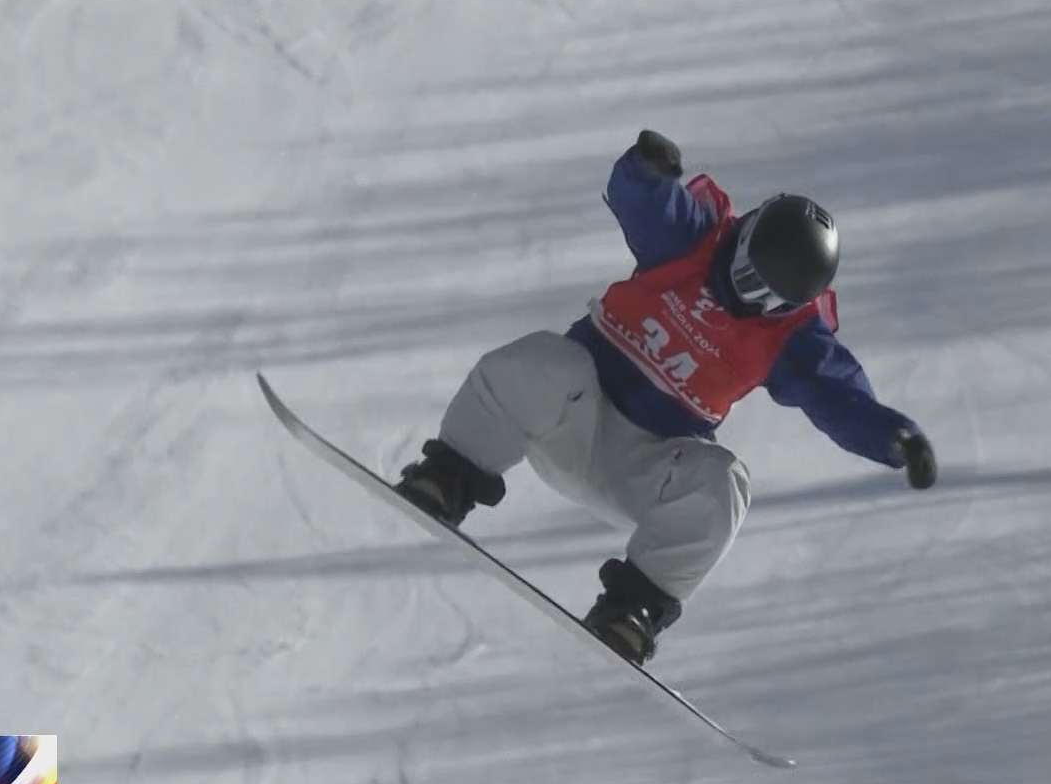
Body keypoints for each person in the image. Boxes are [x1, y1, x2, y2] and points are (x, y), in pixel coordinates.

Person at [393, 130, 936, 666]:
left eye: (771, 298)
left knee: (726, 482)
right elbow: (641, 200)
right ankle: (449, 475)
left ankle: (634, 608)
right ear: (743, 238)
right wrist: (646, 167)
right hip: (567, 417)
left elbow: (840, 398)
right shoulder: (694, 241)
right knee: (551, 360)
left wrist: (895, 438)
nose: (749, 297)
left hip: (642, 465)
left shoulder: (791, 339)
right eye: (748, 276)